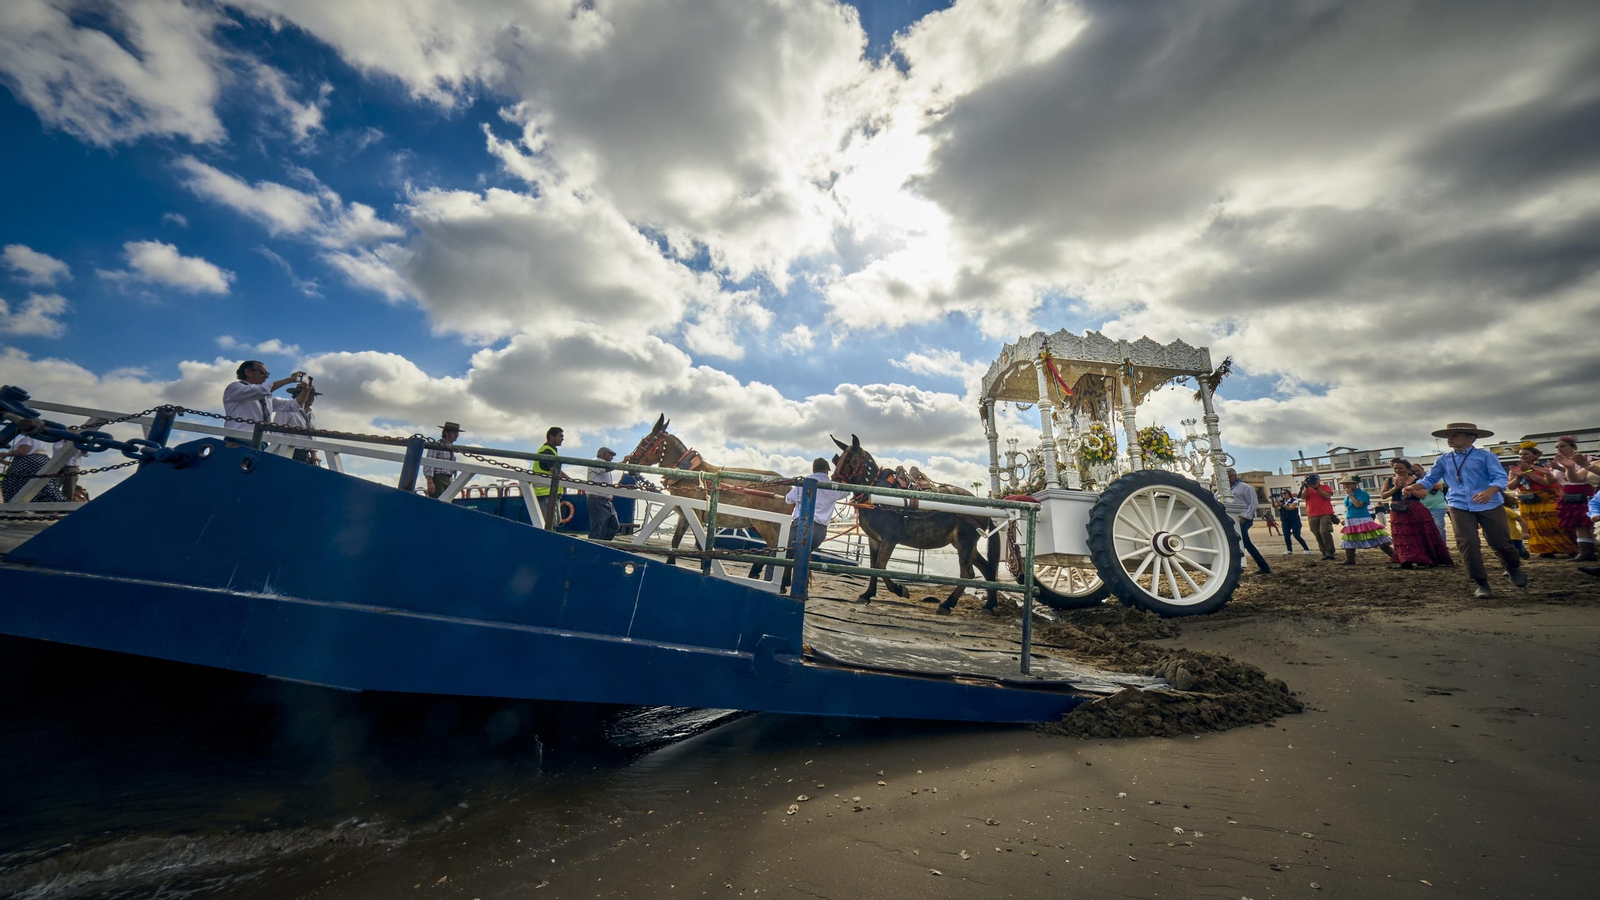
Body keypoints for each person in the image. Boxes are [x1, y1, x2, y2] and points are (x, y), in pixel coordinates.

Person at [1406, 422, 1526, 598]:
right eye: (1448, 436)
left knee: (1500, 541)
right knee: (1467, 543)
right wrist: (1413, 486)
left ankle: (1513, 567)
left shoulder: (1486, 456)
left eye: (1455, 435)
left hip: (1489, 503)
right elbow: (1430, 479)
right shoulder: (1444, 459)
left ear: (1471, 438)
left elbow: (1500, 478)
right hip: (1459, 504)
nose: (1450, 439)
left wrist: (1489, 492)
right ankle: (1481, 583)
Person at [779, 458, 851, 593]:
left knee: (781, 553)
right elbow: (847, 491)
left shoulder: (804, 483)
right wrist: (841, 480)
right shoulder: (832, 487)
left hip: (802, 527)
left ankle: (778, 584)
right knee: (803, 556)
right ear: (826, 470)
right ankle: (801, 590)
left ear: (813, 469)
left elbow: (788, 499)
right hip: (820, 532)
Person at [1380, 458, 1452, 569]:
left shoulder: (1417, 480)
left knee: (1419, 534)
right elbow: (1383, 495)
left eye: (1401, 468)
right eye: (1395, 468)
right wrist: (1395, 488)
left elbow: (1423, 495)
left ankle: (1422, 558)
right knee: (1401, 535)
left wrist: (1408, 488)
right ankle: (1405, 559)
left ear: (1408, 469)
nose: (1398, 470)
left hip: (1414, 509)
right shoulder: (1389, 480)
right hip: (1397, 510)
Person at [1507, 441, 1575, 557]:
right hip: (1527, 499)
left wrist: (1528, 471)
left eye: (1526, 454)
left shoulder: (1544, 466)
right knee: (1534, 525)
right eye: (1520, 454)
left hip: (1547, 498)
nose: (1522, 457)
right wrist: (1518, 477)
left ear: (1535, 455)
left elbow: (1546, 482)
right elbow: (1511, 486)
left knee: (1555, 523)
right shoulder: (1516, 469)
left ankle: (1568, 548)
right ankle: (1544, 549)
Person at [223, 361, 305, 444]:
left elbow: (293, 405)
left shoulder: (265, 397)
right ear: (248, 372)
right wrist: (289, 380)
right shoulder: (235, 388)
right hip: (239, 439)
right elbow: (260, 390)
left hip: (261, 441)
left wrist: (307, 389)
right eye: (262, 373)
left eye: (267, 374)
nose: (266, 377)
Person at [1551, 435, 1597, 562]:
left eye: (1562, 446)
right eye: (1557, 447)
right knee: (1578, 523)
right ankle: (1585, 551)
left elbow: (1580, 478)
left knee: (1591, 522)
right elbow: (1557, 480)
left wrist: (1564, 467)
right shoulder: (1557, 461)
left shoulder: (1587, 459)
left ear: (1573, 447)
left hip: (1585, 491)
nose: (1559, 449)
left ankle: (1595, 548)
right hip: (1567, 493)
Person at [1337, 474, 1397, 564]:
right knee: (1349, 538)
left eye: (1349, 483)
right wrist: (1345, 518)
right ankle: (1350, 559)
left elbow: (1358, 505)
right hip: (1351, 518)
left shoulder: (1362, 493)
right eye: (1345, 484)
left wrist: (1350, 496)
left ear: (1355, 484)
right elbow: (1348, 507)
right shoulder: (1348, 495)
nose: (1346, 486)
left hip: (1363, 518)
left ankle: (1394, 556)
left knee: (1377, 537)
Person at [1227, 469, 1271, 575]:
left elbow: (1253, 503)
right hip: (1231, 520)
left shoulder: (1245, 487)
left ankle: (1263, 566)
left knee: (1244, 542)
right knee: (1238, 542)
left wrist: (1245, 517)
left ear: (1234, 476)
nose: (1227, 479)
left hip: (1243, 519)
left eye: (1228, 477)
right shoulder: (1224, 490)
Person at [1, 435, 67, 503]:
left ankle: (14, 501)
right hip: (41, 462)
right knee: (42, 484)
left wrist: (5, 454)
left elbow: (22, 451)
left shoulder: (27, 439)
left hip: (27, 464)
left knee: (15, 483)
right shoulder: (40, 440)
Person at [273, 379, 321, 465]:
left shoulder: (311, 414)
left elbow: (312, 436)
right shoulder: (287, 410)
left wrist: (314, 455)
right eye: (310, 395)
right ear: (300, 395)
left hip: (305, 453)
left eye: (313, 396)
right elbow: (277, 432)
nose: (312, 398)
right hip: (289, 451)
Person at [585, 446, 621, 541]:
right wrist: (623, 463)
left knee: (614, 525)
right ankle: (592, 547)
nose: (612, 458)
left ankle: (603, 543)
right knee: (597, 527)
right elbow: (604, 469)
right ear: (603, 454)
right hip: (596, 499)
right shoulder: (596, 462)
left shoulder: (607, 467)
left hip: (606, 501)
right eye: (610, 455)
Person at [1298, 473, 1338, 560]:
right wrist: (1307, 487)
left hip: (1325, 513)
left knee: (1324, 531)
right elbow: (1302, 497)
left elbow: (1327, 495)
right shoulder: (1307, 489)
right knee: (1317, 533)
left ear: (1318, 480)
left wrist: (1317, 488)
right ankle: (1324, 552)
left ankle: (1330, 552)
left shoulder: (1325, 487)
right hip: (1312, 514)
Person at [1411, 461, 1451, 542]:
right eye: (1413, 472)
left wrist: (1421, 485)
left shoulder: (1432, 476)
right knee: (1423, 529)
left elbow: (1439, 486)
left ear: (1422, 469)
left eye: (1417, 470)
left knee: (1438, 527)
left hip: (1437, 506)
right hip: (1421, 507)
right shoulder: (1412, 480)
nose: (1415, 473)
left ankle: (1442, 547)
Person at [533, 427, 565, 522]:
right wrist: (571, 481)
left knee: (556, 520)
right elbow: (555, 470)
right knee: (550, 521)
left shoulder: (551, 451)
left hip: (551, 492)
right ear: (551, 436)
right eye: (560, 436)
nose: (562, 439)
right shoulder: (546, 451)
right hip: (545, 492)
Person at [423, 422, 462, 498]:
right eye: (454, 432)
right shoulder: (437, 445)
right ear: (446, 433)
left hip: (448, 477)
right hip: (438, 477)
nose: (457, 435)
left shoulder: (450, 447)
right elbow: (429, 462)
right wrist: (430, 481)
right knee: (438, 499)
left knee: (448, 499)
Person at [1277, 488, 1311, 553]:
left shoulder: (1294, 501)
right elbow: (1275, 506)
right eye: (1282, 493)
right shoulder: (1282, 502)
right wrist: (1273, 499)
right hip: (1285, 521)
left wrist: (1281, 504)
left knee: (1297, 535)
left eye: (1284, 493)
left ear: (1288, 494)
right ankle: (1289, 550)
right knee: (1286, 535)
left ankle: (1306, 549)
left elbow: (1290, 508)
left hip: (1294, 520)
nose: (1283, 495)